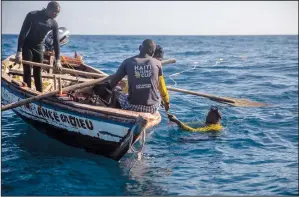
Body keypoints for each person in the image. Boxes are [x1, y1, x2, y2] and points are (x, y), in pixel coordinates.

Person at [107, 39, 170, 114]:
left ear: (140, 48)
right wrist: (166, 102)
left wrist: (110, 88)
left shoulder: (127, 62)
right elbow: (161, 87)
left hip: (134, 107)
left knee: (115, 91)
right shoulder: (158, 63)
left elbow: (112, 83)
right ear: (153, 53)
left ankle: (113, 112)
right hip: (153, 107)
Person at [15, 1, 62, 92]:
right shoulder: (32, 15)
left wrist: (58, 60)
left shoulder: (53, 23)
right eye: (55, 11)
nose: (56, 14)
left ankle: (40, 95)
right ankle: (27, 92)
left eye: (58, 12)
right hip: (27, 45)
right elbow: (23, 33)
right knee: (27, 70)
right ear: (48, 9)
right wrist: (19, 52)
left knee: (38, 72)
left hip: (39, 47)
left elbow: (56, 42)